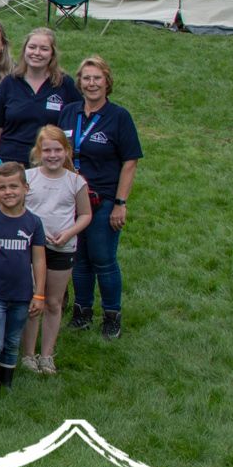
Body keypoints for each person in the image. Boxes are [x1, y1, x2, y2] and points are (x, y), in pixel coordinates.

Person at [61, 55, 140, 339]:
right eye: (86, 78)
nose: (91, 83)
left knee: (103, 257)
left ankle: (111, 316)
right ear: (79, 82)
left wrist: (120, 203)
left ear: (107, 82)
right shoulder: (70, 112)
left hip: (103, 199)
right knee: (79, 258)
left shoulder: (119, 117)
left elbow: (130, 162)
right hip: (72, 199)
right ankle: (82, 312)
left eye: (97, 78)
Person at [19, 127, 90, 375]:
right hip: (32, 246)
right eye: (47, 150)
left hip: (62, 246)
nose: (52, 155)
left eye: (58, 149)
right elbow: (18, 209)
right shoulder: (28, 177)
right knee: (33, 300)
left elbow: (85, 215)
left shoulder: (75, 181)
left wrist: (69, 233)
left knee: (53, 301)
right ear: (39, 152)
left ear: (67, 151)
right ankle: (28, 354)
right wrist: (36, 232)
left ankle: (47, 354)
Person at [0, 162, 46, 397]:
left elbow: (38, 259)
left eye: (14, 186)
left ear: (26, 188)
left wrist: (39, 293)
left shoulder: (34, 223)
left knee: (12, 341)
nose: (8, 192)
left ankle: (6, 384)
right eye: (2, 187)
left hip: (22, 293)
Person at [0, 27, 79, 171]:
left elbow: (76, 126)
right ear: (25, 50)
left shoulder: (65, 84)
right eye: (32, 47)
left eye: (44, 49)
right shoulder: (9, 82)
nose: (37, 53)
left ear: (52, 54)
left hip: (49, 162)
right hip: (9, 163)